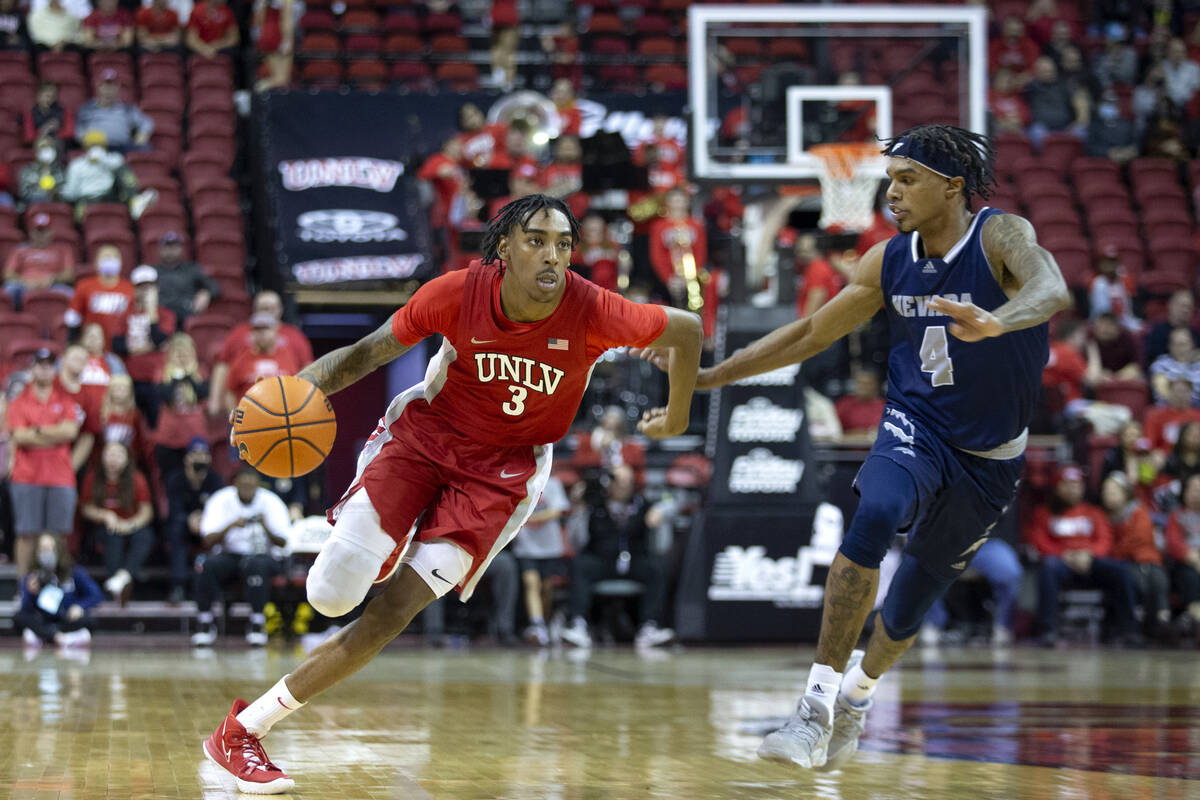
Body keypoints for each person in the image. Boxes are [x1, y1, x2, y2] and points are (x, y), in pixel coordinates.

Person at [200, 194, 701, 794]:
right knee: (331, 597)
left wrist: (676, 414)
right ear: (505, 248)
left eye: (564, 243)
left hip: (503, 475)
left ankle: (242, 730)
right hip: (424, 439)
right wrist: (287, 394)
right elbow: (365, 355)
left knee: (389, 615)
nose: (553, 254)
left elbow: (687, 328)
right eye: (537, 240)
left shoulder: (592, 307)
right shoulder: (454, 293)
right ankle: (377, 540)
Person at [638, 125, 1069, 770]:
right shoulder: (887, 259)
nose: (890, 193)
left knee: (907, 607)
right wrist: (708, 377)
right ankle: (813, 707)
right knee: (871, 513)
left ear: (951, 185)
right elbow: (809, 333)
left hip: (990, 459)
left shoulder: (999, 236)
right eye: (889, 180)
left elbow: (1052, 289)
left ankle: (857, 700)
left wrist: (998, 320)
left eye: (906, 180)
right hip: (916, 426)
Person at [559, 464, 675, 649]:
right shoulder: (594, 505)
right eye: (619, 481)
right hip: (602, 560)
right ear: (609, 483)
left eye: (628, 482)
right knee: (580, 565)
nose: (624, 486)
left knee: (657, 568)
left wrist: (661, 512)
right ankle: (578, 624)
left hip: (634, 559)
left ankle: (649, 626)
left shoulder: (643, 504)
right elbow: (576, 541)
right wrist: (578, 509)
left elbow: (672, 502)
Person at [1028, 465, 1138, 647]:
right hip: (1061, 563)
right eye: (1067, 485)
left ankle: (1128, 631)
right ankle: (1048, 631)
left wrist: (1089, 555)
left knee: (1120, 571)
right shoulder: (1044, 513)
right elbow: (1039, 541)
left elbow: (1105, 539)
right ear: (1057, 487)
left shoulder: (1093, 512)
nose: (1073, 489)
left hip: (1090, 561)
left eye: (1077, 485)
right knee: (1048, 567)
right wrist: (1066, 555)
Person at [192, 466, 290, 648]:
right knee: (205, 564)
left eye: (251, 486)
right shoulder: (220, 499)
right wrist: (230, 525)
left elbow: (283, 543)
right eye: (243, 485)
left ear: (258, 485)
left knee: (255, 565)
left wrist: (265, 525)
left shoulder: (271, 502)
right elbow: (207, 541)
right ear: (235, 483)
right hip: (231, 554)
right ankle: (205, 621)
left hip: (264, 556)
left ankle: (257, 622)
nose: (247, 489)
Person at [7, 347, 83, 581]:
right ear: (32, 369)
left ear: (54, 370)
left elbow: (70, 431)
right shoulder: (19, 402)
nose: (44, 369)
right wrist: (54, 434)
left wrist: (37, 432)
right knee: (26, 534)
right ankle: (23, 588)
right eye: (40, 365)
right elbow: (19, 436)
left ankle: (59, 585)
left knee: (58, 535)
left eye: (49, 365)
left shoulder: (65, 400)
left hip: (60, 476)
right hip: (26, 476)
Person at [207, 290, 311, 416]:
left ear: (280, 309)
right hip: (248, 416)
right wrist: (216, 401)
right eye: (263, 308)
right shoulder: (239, 336)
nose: (268, 311)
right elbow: (223, 368)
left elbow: (307, 372)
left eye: (272, 307)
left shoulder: (294, 338)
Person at [79, 440, 154, 603]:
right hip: (105, 527)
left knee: (144, 536)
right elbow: (86, 508)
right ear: (103, 456)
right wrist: (105, 516)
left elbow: (146, 511)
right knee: (112, 537)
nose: (114, 459)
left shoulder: (137, 478)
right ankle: (118, 584)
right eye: (110, 454)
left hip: (131, 524)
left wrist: (130, 524)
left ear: (127, 458)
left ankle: (121, 578)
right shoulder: (93, 477)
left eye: (119, 455)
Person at [1102, 472, 1170, 639]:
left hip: (1148, 559)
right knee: (1139, 584)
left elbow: (1139, 538)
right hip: (1124, 563)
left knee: (1159, 582)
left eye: (1113, 492)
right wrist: (1119, 552)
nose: (1108, 497)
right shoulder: (1103, 517)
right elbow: (1108, 545)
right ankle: (1141, 625)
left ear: (1126, 494)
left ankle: (1162, 622)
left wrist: (1119, 550)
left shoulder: (1139, 512)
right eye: (1106, 492)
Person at [918, 537, 1023, 646]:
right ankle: (933, 622)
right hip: (945, 541)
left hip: (987, 544)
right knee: (924, 564)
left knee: (1010, 571)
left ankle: (1002, 625)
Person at [511, 473, 570, 645]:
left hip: (550, 547)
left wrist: (529, 517)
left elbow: (558, 510)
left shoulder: (553, 483)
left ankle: (545, 621)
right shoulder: (517, 481)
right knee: (531, 582)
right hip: (526, 546)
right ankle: (536, 623)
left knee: (546, 588)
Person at [112, 265, 175, 426]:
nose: (145, 291)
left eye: (149, 286)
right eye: (141, 287)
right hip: (131, 379)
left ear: (156, 288)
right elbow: (117, 345)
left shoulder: (166, 314)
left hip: (157, 380)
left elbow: (158, 339)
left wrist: (151, 312)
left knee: (156, 425)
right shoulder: (125, 314)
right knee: (131, 425)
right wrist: (148, 347)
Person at [16, 533, 102, 649]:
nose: (47, 553)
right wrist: (31, 593)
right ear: (37, 553)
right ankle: (60, 637)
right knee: (19, 617)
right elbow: (25, 609)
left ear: (59, 550)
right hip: (43, 619)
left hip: (67, 617)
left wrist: (80, 606)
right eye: (43, 549)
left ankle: (44, 637)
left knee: (90, 620)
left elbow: (96, 594)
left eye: (51, 548)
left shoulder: (74, 572)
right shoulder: (31, 577)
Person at [164, 437, 222, 603]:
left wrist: (204, 519)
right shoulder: (176, 479)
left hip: (208, 526)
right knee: (177, 528)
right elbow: (173, 509)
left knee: (222, 531)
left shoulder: (215, 480)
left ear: (209, 458)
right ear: (187, 458)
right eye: (195, 454)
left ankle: (216, 587)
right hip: (183, 525)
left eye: (204, 454)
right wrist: (189, 518)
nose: (200, 458)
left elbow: (220, 509)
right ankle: (178, 585)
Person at [217, 312, 302, 412]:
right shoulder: (242, 359)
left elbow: (296, 390)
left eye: (266, 328)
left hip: (281, 419)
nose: (261, 333)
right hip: (250, 420)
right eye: (257, 329)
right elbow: (230, 392)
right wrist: (235, 416)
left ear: (275, 330)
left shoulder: (287, 356)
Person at [154, 332, 208, 480]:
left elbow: (202, 393)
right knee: (170, 477)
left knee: (195, 476)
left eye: (186, 352)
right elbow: (165, 397)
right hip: (169, 435)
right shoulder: (162, 372)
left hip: (194, 434)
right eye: (178, 352)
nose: (182, 356)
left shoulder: (200, 372)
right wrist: (177, 376)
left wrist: (188, 376)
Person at [64, 244, 134, 345]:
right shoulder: (84, 286)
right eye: (105, 257)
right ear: (96, 262)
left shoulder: (130, 288)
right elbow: (74, 318)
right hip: (91, 344)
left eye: (114, 257)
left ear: (121, 263)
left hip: (121, 345)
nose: (109, 260)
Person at [2, 211, 74, 308]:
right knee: (9, 290)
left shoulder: (62, 249)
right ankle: (13, 320)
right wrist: (25, 281)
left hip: (53, 285)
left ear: (51, 232)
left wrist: (51, 279)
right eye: (38, 231)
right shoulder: (20, 250)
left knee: (71, 294)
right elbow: (8, 274)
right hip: (24, 285)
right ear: (31, 232)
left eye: (44, 231)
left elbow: (69, 275)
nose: (41, 235)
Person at [74, 71, 154, 152]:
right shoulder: (88, 108)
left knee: (146, 148)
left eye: (112, 86)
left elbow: (146, 122)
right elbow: (78, 129)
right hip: (96, 148)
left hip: (122, 148)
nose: (108, 91)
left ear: (118, 88)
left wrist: (143, 134)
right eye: (105, 86)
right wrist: (84, 138)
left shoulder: (127, 108)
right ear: (99, 87)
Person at [152, 231, 219, 323]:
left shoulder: (191, 269)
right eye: (167, 246)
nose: (170, 250)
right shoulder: (152, 272)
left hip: (185, 316)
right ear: (161, 249)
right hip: (160, 318)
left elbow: (215, 286)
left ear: (181, 249)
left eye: (174, 246)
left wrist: (206, 293)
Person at [1166, 472, 1200, 642]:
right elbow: (1173, 544)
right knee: (1190, 575)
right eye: (1193, 489)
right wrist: (1192, 557)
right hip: (1185, 565)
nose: (1197, 494)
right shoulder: (1177, 516)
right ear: (1185, 493)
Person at [1088, 243, 1138, 330]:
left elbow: (1129, 309)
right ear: (1101, 264)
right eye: (1106, 262)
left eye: (1113, 262)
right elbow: (1102, 311)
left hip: (1126, 321)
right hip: (1103, 323)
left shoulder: (1125, 281)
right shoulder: (1098, 282)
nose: (1110, 266)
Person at [1145, 377, 1200, 454]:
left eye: (1184, 391)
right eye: (1177, 391)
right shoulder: (1155, 416)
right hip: (1164, 457)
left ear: (1191, 393)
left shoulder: (1198, 416)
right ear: (1169, 393)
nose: (1180, 395)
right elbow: (1150, 442)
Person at [1144, 290, 1199, 366]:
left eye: (1189, 307)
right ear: (1171, 305)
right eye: (1182, 305)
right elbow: (1152, 359)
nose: (1185, 310)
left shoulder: (1195, 334)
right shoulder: (1157, 332)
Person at [1149, 328, 1200, 402]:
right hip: (1168, 408)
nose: (1180, 349)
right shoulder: (1160, 365)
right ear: (1170, 347)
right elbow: (1163, 393)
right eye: (1176, 345)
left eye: (1184, 344)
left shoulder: (1198, 365)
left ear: (1192, 345)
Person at [835, 368, 886, 437]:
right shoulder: (845, 404)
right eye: (859, 383)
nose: (863, 387)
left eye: (867, 383)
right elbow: (834, 430)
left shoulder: (885, 406)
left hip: (877, 446)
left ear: (876, 385)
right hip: (848, 446)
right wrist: (865, 433)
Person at [18, 135, 67, 205]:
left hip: (57, 205)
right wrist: (45, 194)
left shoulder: (61, 170)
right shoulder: (27, 171)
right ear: (36, 152)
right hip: (34, 206)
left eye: (50, 147)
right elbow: (24, 194)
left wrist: (57, 193)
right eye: (43, 147)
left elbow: (67, 193)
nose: (47, 150)